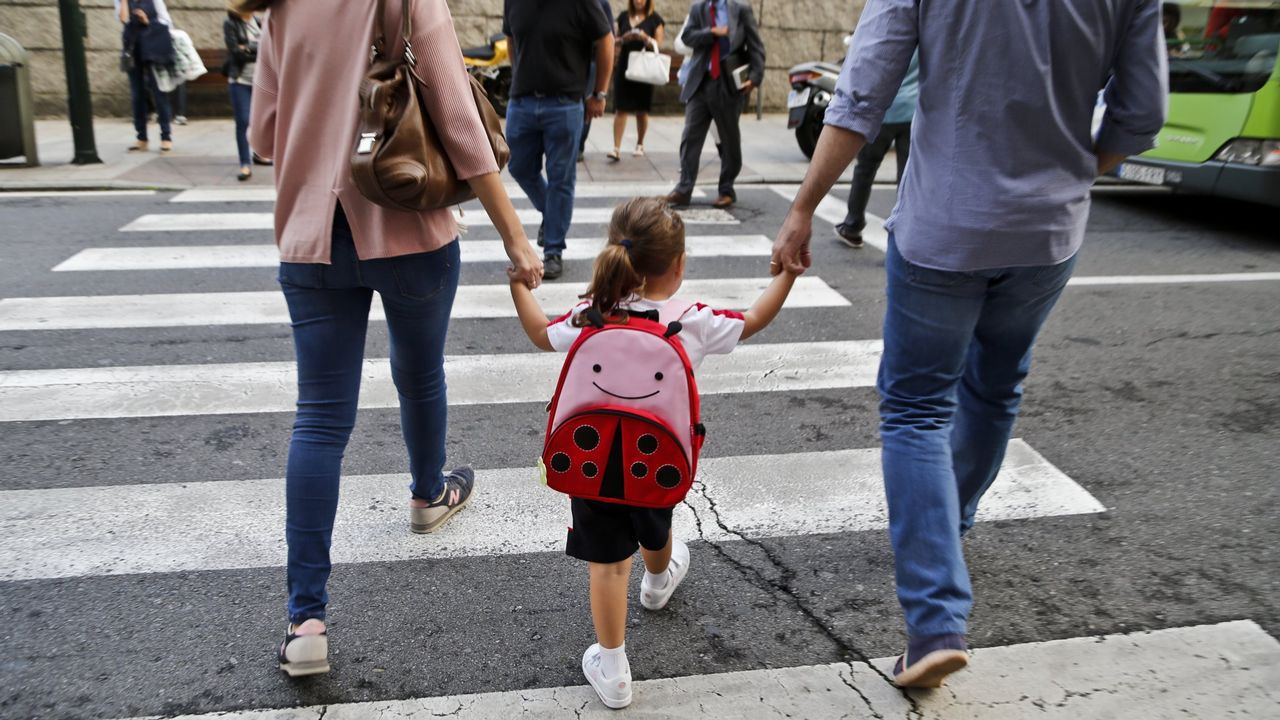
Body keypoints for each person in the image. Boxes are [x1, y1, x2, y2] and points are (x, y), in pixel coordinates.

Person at [772, 0, 1165, 689]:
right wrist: (1071, 174)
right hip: (1048, 234)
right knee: (996, 385)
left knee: (916, 409)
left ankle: (934, 621)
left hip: (944, 229)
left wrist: (804, 207)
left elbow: (862, 94)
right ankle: (948, 524)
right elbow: (1141, 114)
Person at [245, 0, 543, 677]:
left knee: (318, 420)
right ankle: (426, 495)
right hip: (407, 223)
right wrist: (515, 237)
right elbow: (463, 129)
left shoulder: (281, 8)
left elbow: (264, 133)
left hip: (312, 235)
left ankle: (306, 622)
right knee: (420, 370)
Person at [509, 197, 796, 709]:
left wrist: (517, 286)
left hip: (591, 460)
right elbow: (753, 318)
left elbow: (537, 333)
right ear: (679, 265)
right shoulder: (693, 320)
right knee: (655, 526)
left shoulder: (590, 313)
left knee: (608, 565)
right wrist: (787, 276)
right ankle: (660, 579)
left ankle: (613, 667)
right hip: (656, 461)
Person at [504, 0, 615, 281]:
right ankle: (551, 214)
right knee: (518, 166)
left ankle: (553, 250)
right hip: (522, 101)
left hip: (565, 104)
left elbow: (606, 40)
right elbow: (511, 39)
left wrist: (599, 93)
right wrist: (519, 76)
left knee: (560, 178)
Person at [665, 0, 764, 209]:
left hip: (727, 84)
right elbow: (687, 37)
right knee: (690, 137)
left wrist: (754, 77)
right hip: (700, 81)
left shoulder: (741, 9)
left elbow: (756, 46)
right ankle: (684, 190)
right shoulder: (698, 8)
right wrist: (712, 32)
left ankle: (726, 189)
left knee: (729, 139)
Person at [834, 51, 917, 249]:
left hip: (882, 113)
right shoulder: (925, 30)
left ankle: (853, 225)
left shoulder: (891, 30)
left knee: (865, 169)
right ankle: (900, 239)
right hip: (913, 111)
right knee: (906, 178)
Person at [607, 0, 665, 161]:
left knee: (641, 109)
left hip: (644, 67)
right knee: (621, 107)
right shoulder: (624, 17)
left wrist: (646, 38)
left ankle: (640, 144)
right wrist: (624, 38)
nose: (639, 1)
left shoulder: (655, 19)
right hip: (625, 66)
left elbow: (658, 44)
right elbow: (614, 40)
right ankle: (616, 148)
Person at [116, 0, 176, 153]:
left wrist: (147, 21)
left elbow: (166, 22)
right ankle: (141, 137)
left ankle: (166, 136)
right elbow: (123, 19)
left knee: (159, 92)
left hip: (153, 48)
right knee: (137, 94)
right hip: (133, 49)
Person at [223, 6, 260, 181]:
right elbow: (236, 53)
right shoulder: (230, 24)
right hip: (240, 81)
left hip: (262, 82)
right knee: (243, 121)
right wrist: (257, 49)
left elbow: (271, 51)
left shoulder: (260, 22)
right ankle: (245, 163)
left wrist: (248, 47)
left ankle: (260, 154)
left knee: (263, 121)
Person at [579, 0, 616, 162]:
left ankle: (578, 145)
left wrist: (601, 93)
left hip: (592, 61)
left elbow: (609, 38)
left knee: (587, 103)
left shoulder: (601, 3)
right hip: (572, 62)